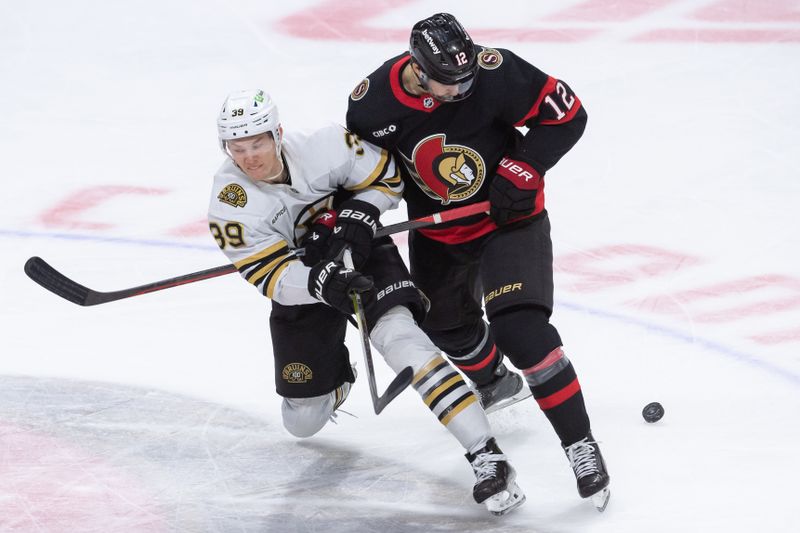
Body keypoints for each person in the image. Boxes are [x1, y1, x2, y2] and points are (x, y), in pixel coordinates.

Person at [207, 89, 525, 515]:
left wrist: (359, 212)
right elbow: (271, 276)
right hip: (304, 283)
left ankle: (487, 456)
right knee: (302, 421)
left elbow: (388, 176)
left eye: (258, 143)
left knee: (402, 340)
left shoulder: (325, 147)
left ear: (277, 134)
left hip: (360, 251)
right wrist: (319, 282)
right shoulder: (230, 204)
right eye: (237, 148)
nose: (250, 157)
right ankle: (337, 380)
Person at [346, 13, 610, 510]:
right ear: (417, 70)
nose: (462, 90)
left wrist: (526, 164)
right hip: (439, 234)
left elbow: (567, 113)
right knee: (446, 330)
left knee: (522, 330)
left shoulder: (495, 72)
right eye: (449, 84)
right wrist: (355, 218)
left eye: (467, 79)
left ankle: (581, 446)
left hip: (509, 221)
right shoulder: (371, 104)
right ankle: (494, 381)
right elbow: (366, 176)